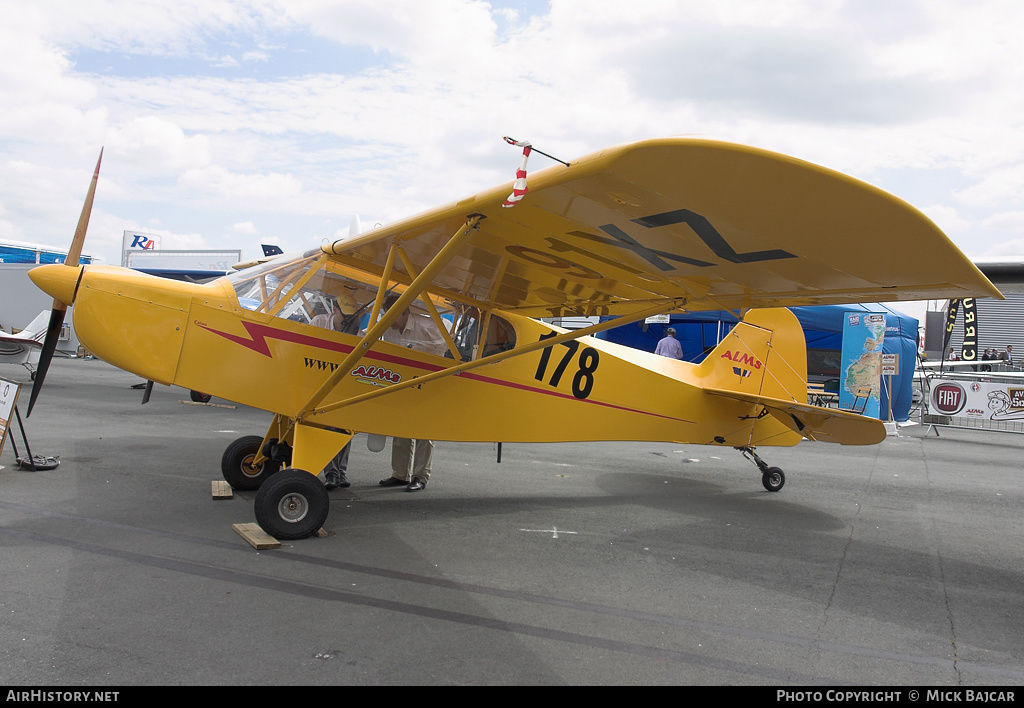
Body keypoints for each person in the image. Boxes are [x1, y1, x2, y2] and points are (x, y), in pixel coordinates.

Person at [376, 292, 446, 492]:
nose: (390, 322)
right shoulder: (389, 327)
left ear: (406, 312)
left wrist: (418, 356)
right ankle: (400, 474)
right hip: (403, 383)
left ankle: (420, 476)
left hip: (428, 382)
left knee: (424, 432)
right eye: (387, 316)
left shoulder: (428, 326)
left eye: (394, 316)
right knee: (401, 428)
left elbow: (444, 349)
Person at [312, 293, 360, 490]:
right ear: (334, 310)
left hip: (344, 385)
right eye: (344, 315)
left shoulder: (358, 332)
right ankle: (331, 473)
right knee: (328, 428)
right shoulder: (319, 322)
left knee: (345, 429)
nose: (347, 320)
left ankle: (341, 472)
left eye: (351, 316)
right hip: (320, 384)